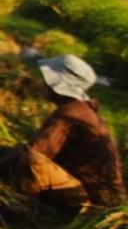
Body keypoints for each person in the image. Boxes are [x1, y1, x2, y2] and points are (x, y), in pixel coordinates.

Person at [10, 55, 123, 210]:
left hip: (93, 200)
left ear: (58, 86)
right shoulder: (80, 109)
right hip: (99, 194)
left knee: (31, 160)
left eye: (48, 81)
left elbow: (35, 153)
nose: (44, 85)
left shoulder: (70, 113)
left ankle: (22, 208)